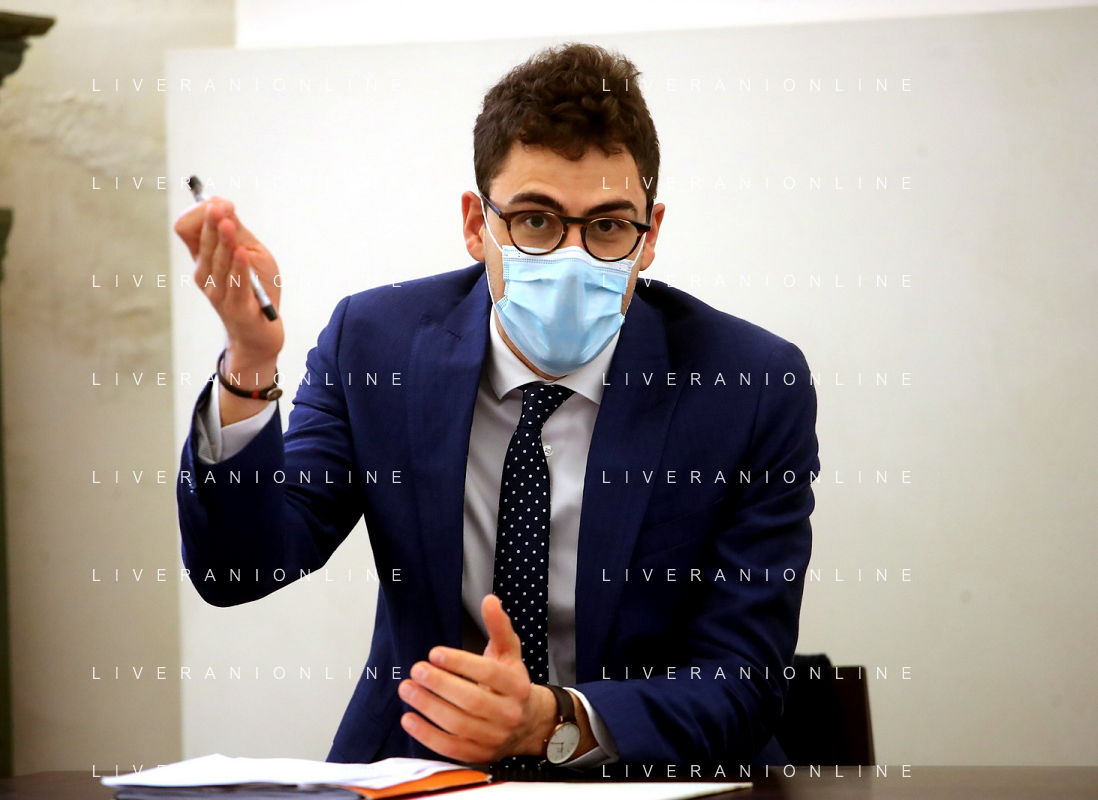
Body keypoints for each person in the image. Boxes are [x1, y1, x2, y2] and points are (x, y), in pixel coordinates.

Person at [172, 42, 818, 771]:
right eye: (536, 221)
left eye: (608, 227)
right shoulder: (376, 345)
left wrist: (553, 720)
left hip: (647, 774)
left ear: (650, 236)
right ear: (478, 226)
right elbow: (238, 571)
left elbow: (744, 680)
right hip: (424, 768)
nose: (571, 259)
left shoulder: (749, 385)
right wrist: (249, 362)